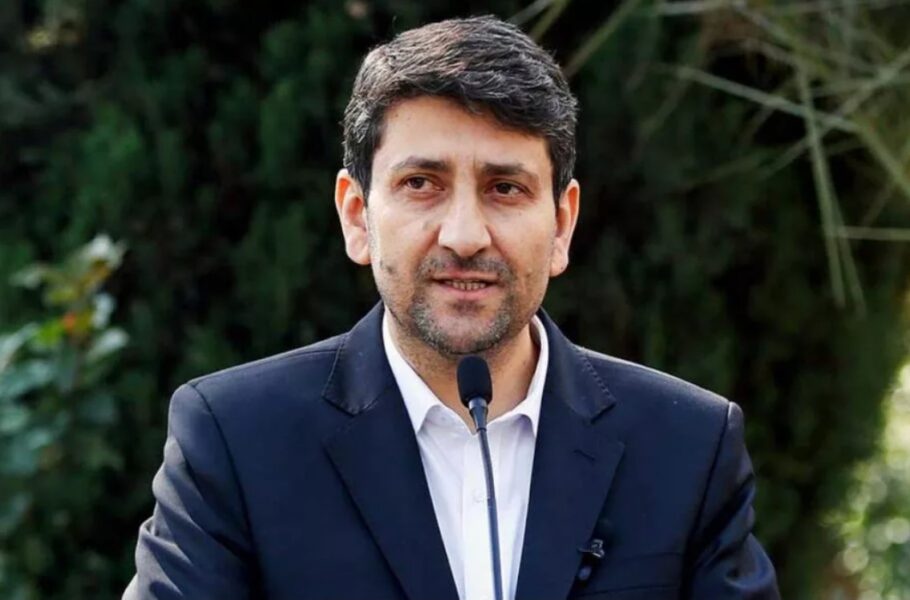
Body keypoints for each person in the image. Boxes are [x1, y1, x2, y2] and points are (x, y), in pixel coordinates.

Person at [125, 15, 780, 600]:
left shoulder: (688, 447)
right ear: (356, 216)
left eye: (505, 188)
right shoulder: (236, 440)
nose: (465, 235)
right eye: (422, 184)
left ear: (561, 225)